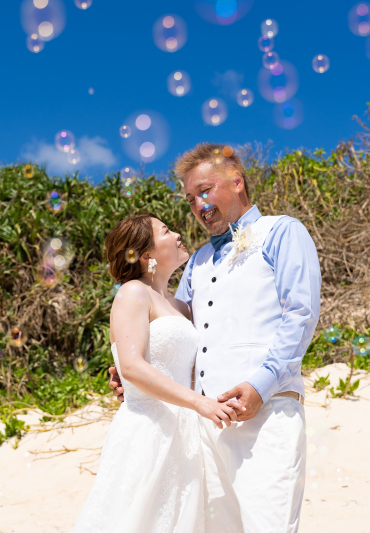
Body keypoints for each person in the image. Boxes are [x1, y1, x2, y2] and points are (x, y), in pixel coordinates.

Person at [109, 143, 322, 533]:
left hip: (268, 414)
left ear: (237, 181)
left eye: (205, 191)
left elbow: (301, 316)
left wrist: (261, 385)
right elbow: (178, 328)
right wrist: (131, 365)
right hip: (204, 428)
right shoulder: (198, 261)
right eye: (191, 199)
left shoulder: (282, 232)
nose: (198, 205)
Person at [73, 213, 245, 533]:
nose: (178, 234)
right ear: (147, 254)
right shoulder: (132, 292)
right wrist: (198, 402)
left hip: (188, 433)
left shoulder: (181, 307)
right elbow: (132, 366)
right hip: (148, 430)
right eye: (166, 231)